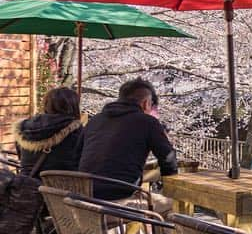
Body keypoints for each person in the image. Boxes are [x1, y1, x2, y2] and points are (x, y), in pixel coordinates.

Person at [79, 78, 177, 213]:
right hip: (119, 198)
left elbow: (78, 154)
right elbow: (168, 159)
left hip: (84, 195)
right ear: (146, 103)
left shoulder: (95, 120)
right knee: (173, 204)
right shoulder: (147, 122)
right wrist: (169, 185)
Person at [14, 87, 83, 177]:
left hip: (27, 184)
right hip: (61, 186)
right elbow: (83, 160)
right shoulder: (76, 129)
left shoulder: (24, 127)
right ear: (73, 106)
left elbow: (21, 157)